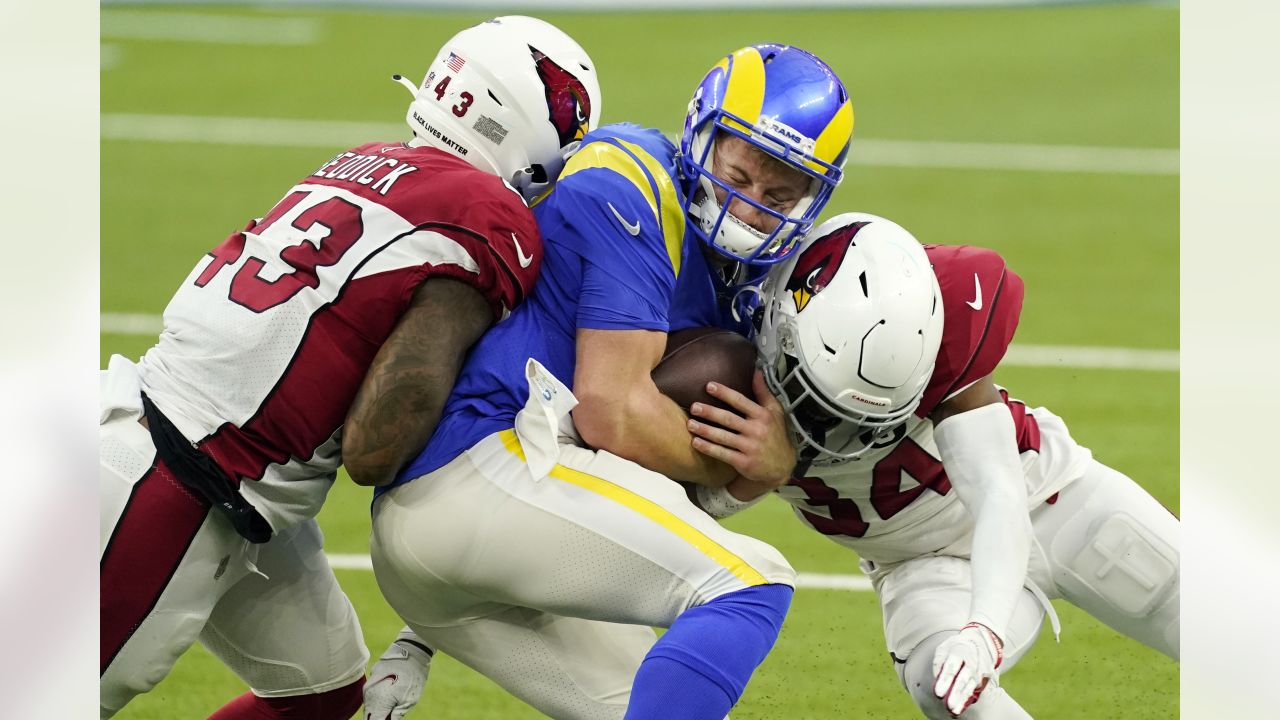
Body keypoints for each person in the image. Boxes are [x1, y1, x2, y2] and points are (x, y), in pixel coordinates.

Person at [98, 16, 601, 719]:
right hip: (182, 482)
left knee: (317, 696)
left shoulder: (365, 159)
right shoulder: (487, 216)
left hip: (184, 449)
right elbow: (374, 448)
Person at [365, 44, 853, 720]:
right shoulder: (630, 178)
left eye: (778, 195)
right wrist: (751, 471)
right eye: (739, 170)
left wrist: (742, 468)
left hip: (483, 530)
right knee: (751, 584)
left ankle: (418, 634)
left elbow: (640, 492)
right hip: (472, 467)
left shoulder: (745, 291)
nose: (746, 206)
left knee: (655, 706)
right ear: (700, 136)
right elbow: (611, 416)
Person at [686, 212, 1179, 719]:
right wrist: (753, 479)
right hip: (919, 567)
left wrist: (984, 630)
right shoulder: (727, 366)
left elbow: (997, 493)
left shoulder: (938, 316)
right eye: (826, 406)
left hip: (1052, 499)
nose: (846, 430)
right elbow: (672, 517)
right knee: (947, 686)